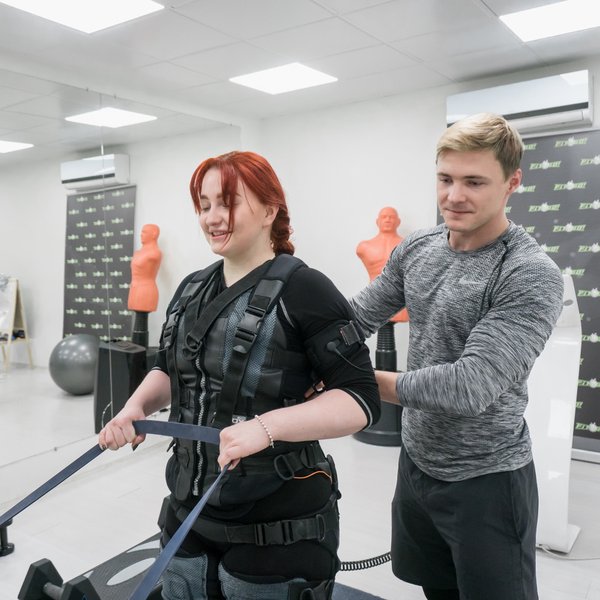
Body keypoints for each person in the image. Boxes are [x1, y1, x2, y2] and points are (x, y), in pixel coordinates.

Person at [99, 151, 379, 600]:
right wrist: (134, 409)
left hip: (277, 520)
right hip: (187, 509)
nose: (212, 217)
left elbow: (360, 399)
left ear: (270, 210)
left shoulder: (307, 290)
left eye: (227, 203)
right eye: (204, 205)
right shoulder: (190, 288)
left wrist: (266, 428)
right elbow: (169, 368)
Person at [349, 113, 564, 600]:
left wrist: (354, 379)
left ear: (512, 182)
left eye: (474, 182)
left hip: (487, 481)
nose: (454, 196)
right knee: (437, 590)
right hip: (416, 463)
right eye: (445, 179)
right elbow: (355, 318)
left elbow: (470, 386)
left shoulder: (529, 272)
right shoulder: (418, 248)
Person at [356, 206, 408, 322]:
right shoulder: (364, 247)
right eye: (384, 217)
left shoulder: (407, 245)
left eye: (391, 217)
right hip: (373, 298)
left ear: (398, 222)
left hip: (399, 301)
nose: (388, 219)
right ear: (377, 221)